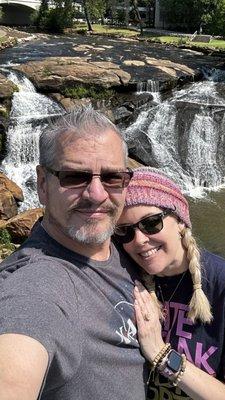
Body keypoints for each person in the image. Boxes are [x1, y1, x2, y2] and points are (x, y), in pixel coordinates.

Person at [0, 108, 147, 400]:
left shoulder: (126, 242)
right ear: (43, 184)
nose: (97, 194)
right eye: (74, 177)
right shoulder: (36, 284)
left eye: (112, 177)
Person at [114, 167, 225, 400]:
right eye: (125, 231)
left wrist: (161, 354)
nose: (139, 240)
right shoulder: (123, 273)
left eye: (151, 223)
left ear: (179, 221)